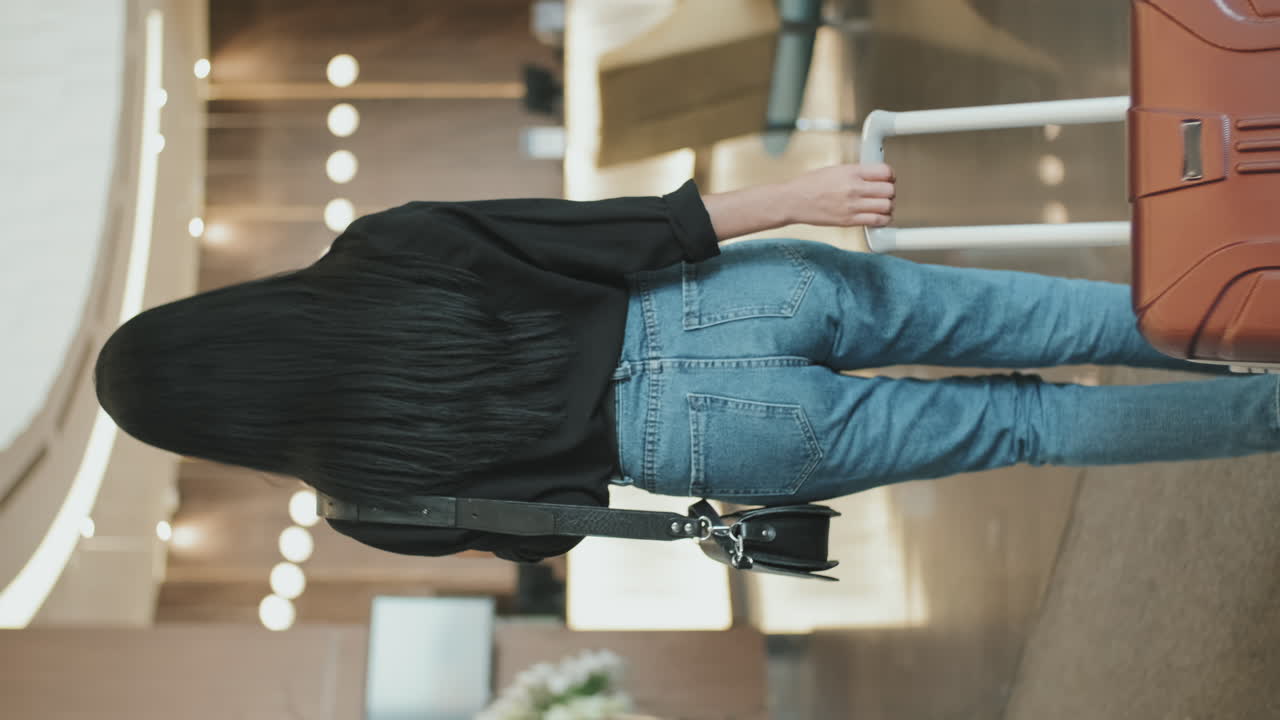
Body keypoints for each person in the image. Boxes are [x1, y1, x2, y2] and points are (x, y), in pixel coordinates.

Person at [94, 164, 1279, 563]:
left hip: (703, 442)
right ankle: (1256, 315)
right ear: (219, 319)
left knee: (1025, 428)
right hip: (707, 306)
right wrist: (797, 196)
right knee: (1054, 321)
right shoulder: (380, 254)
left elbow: (551, 526)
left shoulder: (360, 503)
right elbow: (610, 230)